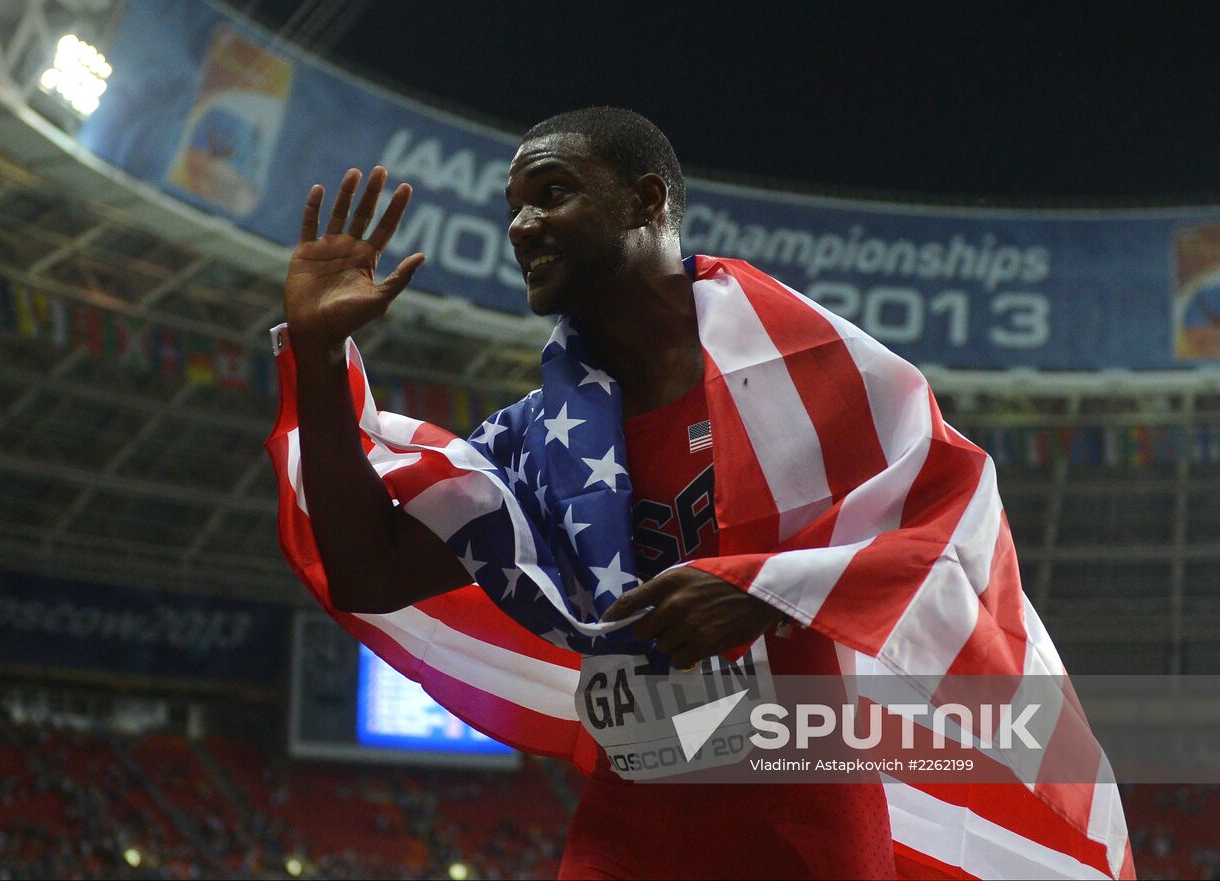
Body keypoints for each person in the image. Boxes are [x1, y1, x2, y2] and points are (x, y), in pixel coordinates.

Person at [273, 108, 1129, 880]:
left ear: (647, 201)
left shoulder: (798, 367)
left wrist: (766, 591)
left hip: (799, 805)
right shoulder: (540, 437)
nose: (524, 225)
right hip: (636, 801)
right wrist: (317, 356)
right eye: (514, 208)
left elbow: (954, 518)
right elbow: (368, 572)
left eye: (553, 192)